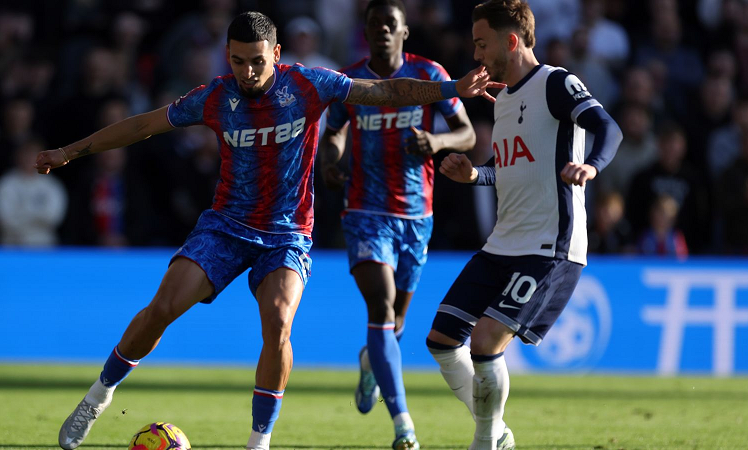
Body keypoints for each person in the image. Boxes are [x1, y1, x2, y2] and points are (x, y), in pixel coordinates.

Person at [37, 11, 502, 450]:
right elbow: (143, 125)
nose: (247, 71)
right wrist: (69, 152)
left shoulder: (308, 84)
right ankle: (98, 397)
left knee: (278, 322)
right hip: (224, 227)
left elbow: (385, 92)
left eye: (257, 61)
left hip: (287, 236)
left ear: (276, 53)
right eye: (237, 61)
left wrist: (451, 89)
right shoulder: (216, 97)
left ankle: (259, 442)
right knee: (162, 307)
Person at [422, 2, 622, 449]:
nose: (476, 53)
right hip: (503, 244)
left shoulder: (556, 82)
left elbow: (608, 127)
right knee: (440, 339)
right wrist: (475, 174)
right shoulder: (505, 98)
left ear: (511, 41)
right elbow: (509, 166)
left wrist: (590, 167)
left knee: (486, 339)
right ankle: (496, 432)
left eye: (481, 43)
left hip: (549, 244)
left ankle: (485, 441)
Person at [318, 1, 476, 448]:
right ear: (365, 32)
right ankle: (403, 424)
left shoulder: (429, 76)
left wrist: (437, 141)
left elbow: (467, 134)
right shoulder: (350, 83)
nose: (383, 31)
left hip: (416, 217)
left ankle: (372, 361)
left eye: (392, 25)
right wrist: (331, 163)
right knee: (381, 309)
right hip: (365, 212)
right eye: (375, 24)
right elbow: (333, 132)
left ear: (405, 32)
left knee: (397, 323)